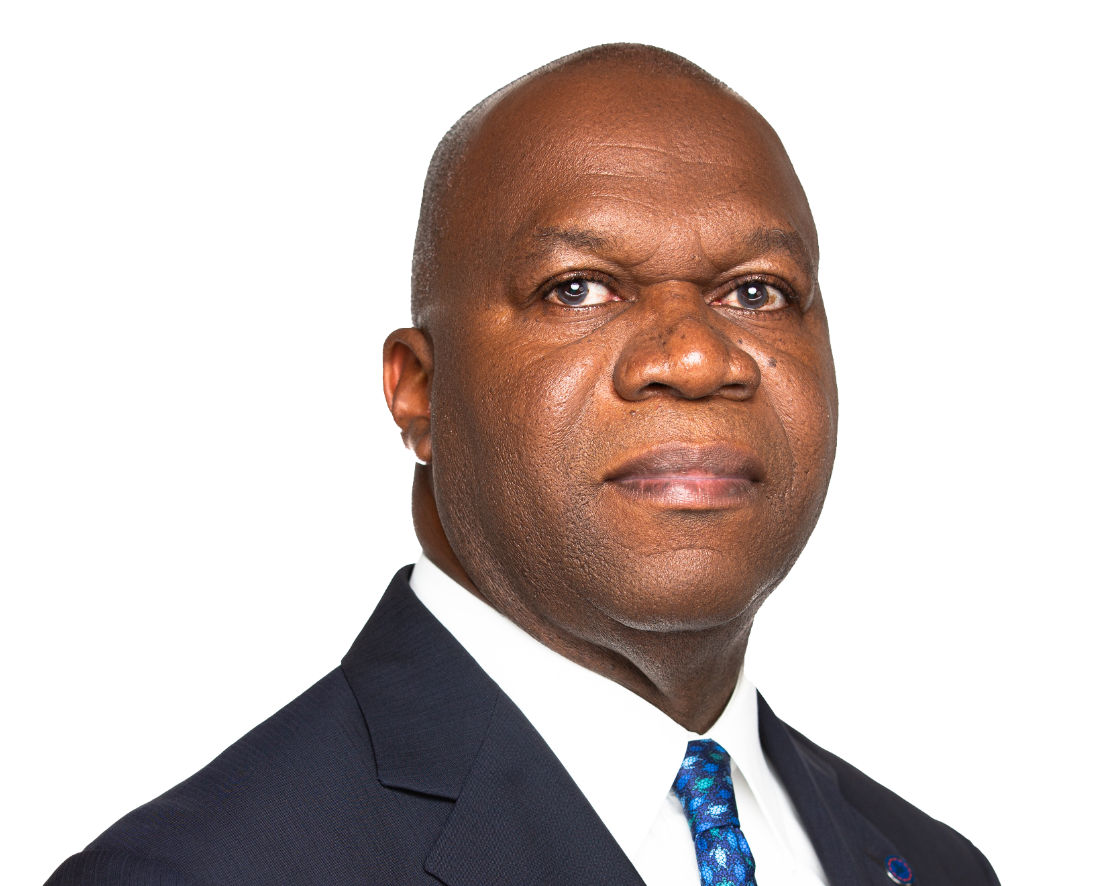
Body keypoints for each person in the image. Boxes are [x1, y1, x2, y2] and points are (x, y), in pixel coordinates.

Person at [45, 44, 999, 886]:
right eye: (577, 288)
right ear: (419, 392)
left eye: (757, 292)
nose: (696, 357)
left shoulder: (936, 865)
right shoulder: (198, 873)